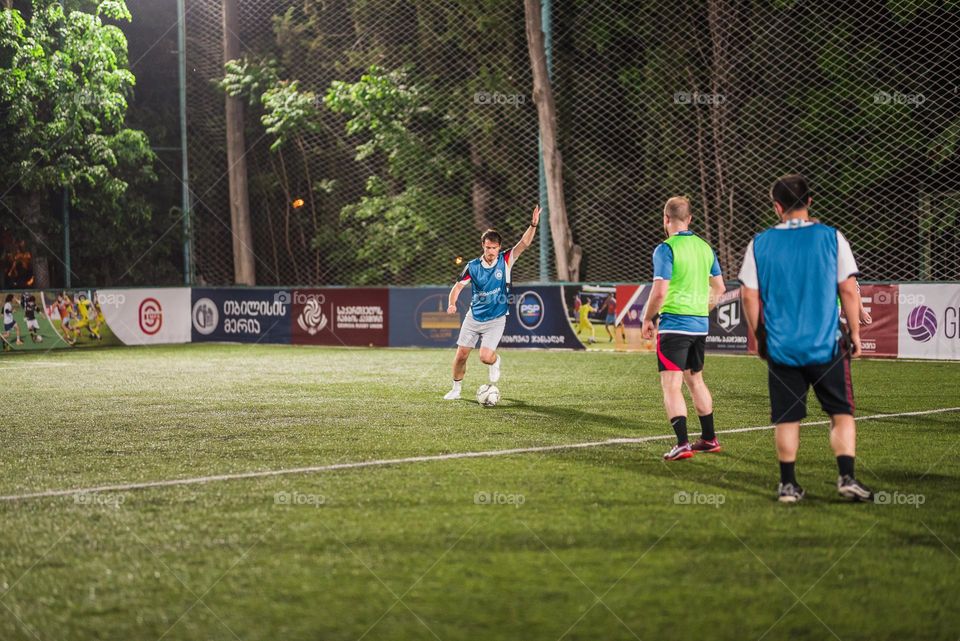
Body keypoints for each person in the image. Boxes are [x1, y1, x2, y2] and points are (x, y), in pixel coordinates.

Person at [739, 173, 873, 504]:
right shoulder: (833, 237)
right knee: (840, 412)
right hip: (826, 345)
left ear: (777, 206)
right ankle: (847, 478)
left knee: (787, 417)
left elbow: (748, 296)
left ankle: (788, 485)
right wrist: (854, 331)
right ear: (810, 201)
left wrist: (760, 337)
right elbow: (848, 289)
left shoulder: (760, 243)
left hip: (782, 348)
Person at [642, 196, 726, 461]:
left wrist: (648, 318)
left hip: (675, 325)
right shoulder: (705, 248)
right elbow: (720, 288)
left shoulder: (666, 249)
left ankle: (682, 444)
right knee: (695, 380)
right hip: (699, 325)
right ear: (689, 219)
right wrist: (702, 309)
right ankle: (709, 438)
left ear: (665, 219)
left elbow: (660, 292)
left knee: (671, 385)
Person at [442, 205, 540, 400]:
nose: (491, 251)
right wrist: (452, 303)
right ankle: (456, 390)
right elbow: (457, 288)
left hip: (496, 318)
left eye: (494, 248)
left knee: (485, 357)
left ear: (499, 247)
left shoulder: (505, 260)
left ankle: (495, 361)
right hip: (474, 316)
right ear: (483, 246)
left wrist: (533, 224)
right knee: (461, 355)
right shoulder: (472, 266)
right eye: (488, 247)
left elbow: (524, 243)